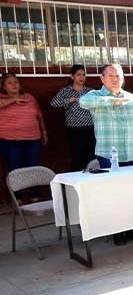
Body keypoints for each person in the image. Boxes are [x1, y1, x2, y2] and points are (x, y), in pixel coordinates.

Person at [79, 64, 133, 245]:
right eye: (111, 76)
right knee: (113, 194)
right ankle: (117, 230)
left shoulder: (130, 98)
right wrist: (111, 100)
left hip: (131, 152)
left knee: (132, 193)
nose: (115, 79)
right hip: (108, 155)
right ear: (102, 79)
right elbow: (82, 102)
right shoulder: (96, 96)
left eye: (118, 76)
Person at [0, 73, 47, 203]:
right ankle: (18, 198)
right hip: (10, 141)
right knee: (15, 169)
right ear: (4, 86)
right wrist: (13, 100)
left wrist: (44, 132)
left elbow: (39, 115)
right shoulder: (2, 98)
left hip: (33, 139)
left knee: (34, 167)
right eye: (10, 83)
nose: (14, 84)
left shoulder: (30, 98)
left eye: (16, 82)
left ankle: (34, 196)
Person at [50, 65, 95, 171]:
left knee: (91, 157)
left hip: (91, 128)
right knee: (78, 157)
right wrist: (72, 100)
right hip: (75, 129)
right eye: (78, 75)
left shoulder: (90, 91)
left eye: (83, 75)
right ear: (72, 76)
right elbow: (53, 103)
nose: (81, 77)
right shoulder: (66, 91)